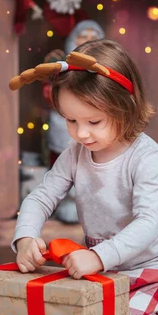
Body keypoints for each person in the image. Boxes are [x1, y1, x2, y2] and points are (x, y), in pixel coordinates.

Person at [9, 39, 158, 315]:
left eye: (94, 121)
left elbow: (149, 222)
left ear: (125, 108)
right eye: (71, 120)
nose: (82, 133)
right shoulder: (74, 154)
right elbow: (40, 198)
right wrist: (25, 237)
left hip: (153, 268)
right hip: (107, 270)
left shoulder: (146, 157)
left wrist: (98, 256)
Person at [42, 20, 105, 224]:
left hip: (96, 126)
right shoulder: (62, 65)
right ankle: (67, 201)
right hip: (65, 124)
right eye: (82, 36)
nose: (87, 41)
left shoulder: (104, 68)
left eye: (92, 37)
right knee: (66, 165)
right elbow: (49, 92)